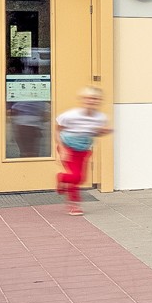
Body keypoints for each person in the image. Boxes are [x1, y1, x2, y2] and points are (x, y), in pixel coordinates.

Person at [54, 87, 110, 216]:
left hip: (83, 150)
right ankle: (73, 204)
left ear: (99, 101)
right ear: (82, 100)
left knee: (80, 178)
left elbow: (96, 133)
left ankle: (63, 178)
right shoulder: (70, 115)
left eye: (95, 99)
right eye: (88, 98)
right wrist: (62, 148)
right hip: (68, 148)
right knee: (75, 176)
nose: (91, 101)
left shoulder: (100, 118)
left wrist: (103, 132)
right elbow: (58, 130)